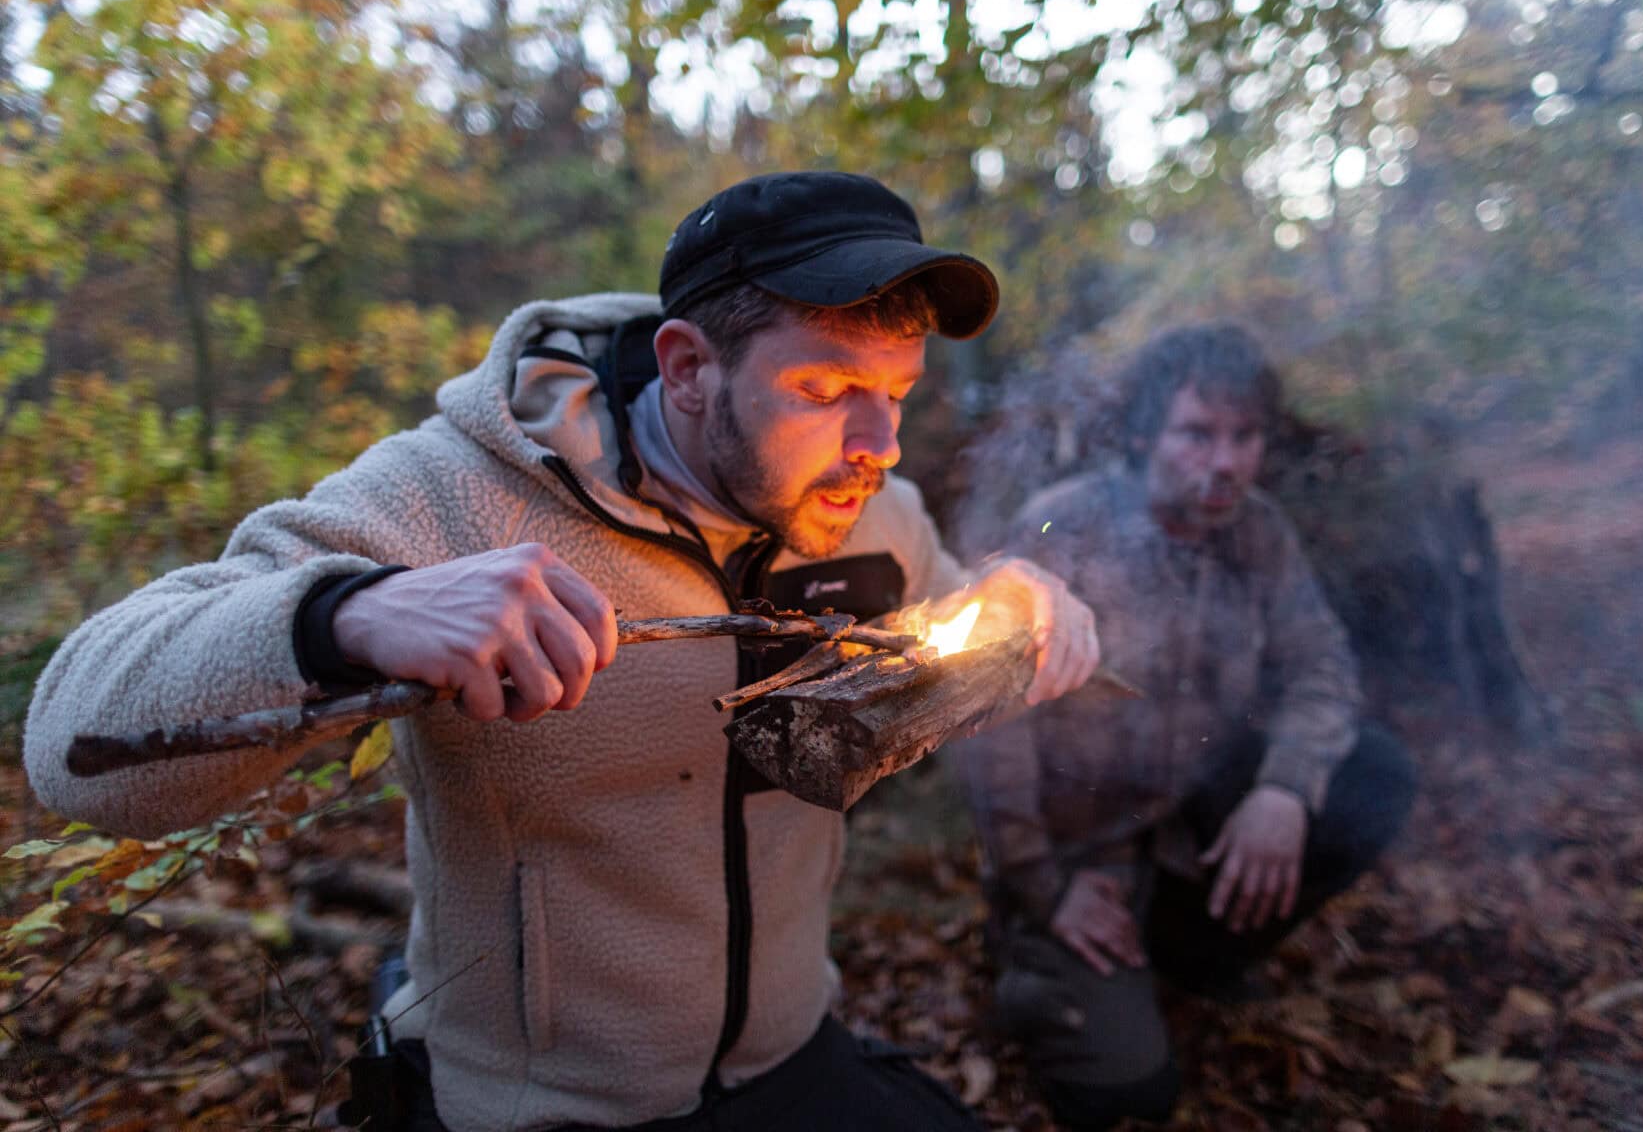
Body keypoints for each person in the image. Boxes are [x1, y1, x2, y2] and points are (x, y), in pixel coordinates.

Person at [25, 171, 1101, 1132]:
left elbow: (957, 622)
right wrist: (347, 614)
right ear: (686, 368)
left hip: (788, 1062)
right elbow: (74, 742)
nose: (879, 446)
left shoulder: (876, 515)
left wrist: (1021, 605)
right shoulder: (459, 497)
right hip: (538, 1105)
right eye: (823, 393)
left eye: (897, 395)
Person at [956, 324, 1416, 1131]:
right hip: (1079, 850)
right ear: (1143, 434)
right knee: (1125, 1095)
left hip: (1186, 822)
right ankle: (1032, 960)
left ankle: (1197, 954)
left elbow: (1323, 666)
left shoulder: (1257, 530)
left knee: (1372, 775)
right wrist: (1044, 885)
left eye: (1245, 436)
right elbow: (989, 726)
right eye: (1198, 433)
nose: (1227, 461)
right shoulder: (1062, 527)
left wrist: (1283, 790)